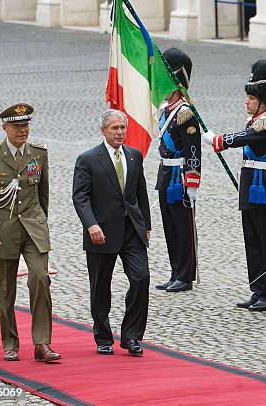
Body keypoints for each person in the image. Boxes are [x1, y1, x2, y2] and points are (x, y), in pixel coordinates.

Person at [0, 103, 61, 362]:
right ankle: (10, 342)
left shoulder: (39, 153)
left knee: (40, 278)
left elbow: (42, 194)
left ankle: (42, 343)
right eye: (17, 126)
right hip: (2, 232)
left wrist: (41, 223)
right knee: (5, 290)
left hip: (33, 230)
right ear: (5, 128)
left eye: (26, 125)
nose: (23, 131)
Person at [203, 60, 266, 312]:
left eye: (252, 98)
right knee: (252, 241)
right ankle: (257, 289)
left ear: (264, 100)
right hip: (251, 187)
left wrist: (219, 140)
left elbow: (245, 139)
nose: (247, 101)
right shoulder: (254, 121)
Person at [72, 109, 151, 356]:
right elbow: (80, 196)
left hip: (131, 232)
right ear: (103, 131)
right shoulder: (88, 159)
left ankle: (132, 336)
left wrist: (146, 226)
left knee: (141, 278)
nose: (119, 132)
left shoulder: (134, 156)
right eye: (114, 128)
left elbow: (140, 193)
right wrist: (91, 225)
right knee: (100, 287)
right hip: (101, 233)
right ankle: (103, 337)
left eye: (123, 128)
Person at [154, 48, 201, 293]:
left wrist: (192, 181)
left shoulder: (185, 114)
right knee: (170, 227)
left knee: (184, 228)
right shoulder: (166, 111)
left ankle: (186, 275)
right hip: (166, 174)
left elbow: (193, 150)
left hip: (180, 177)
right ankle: (175, 271)